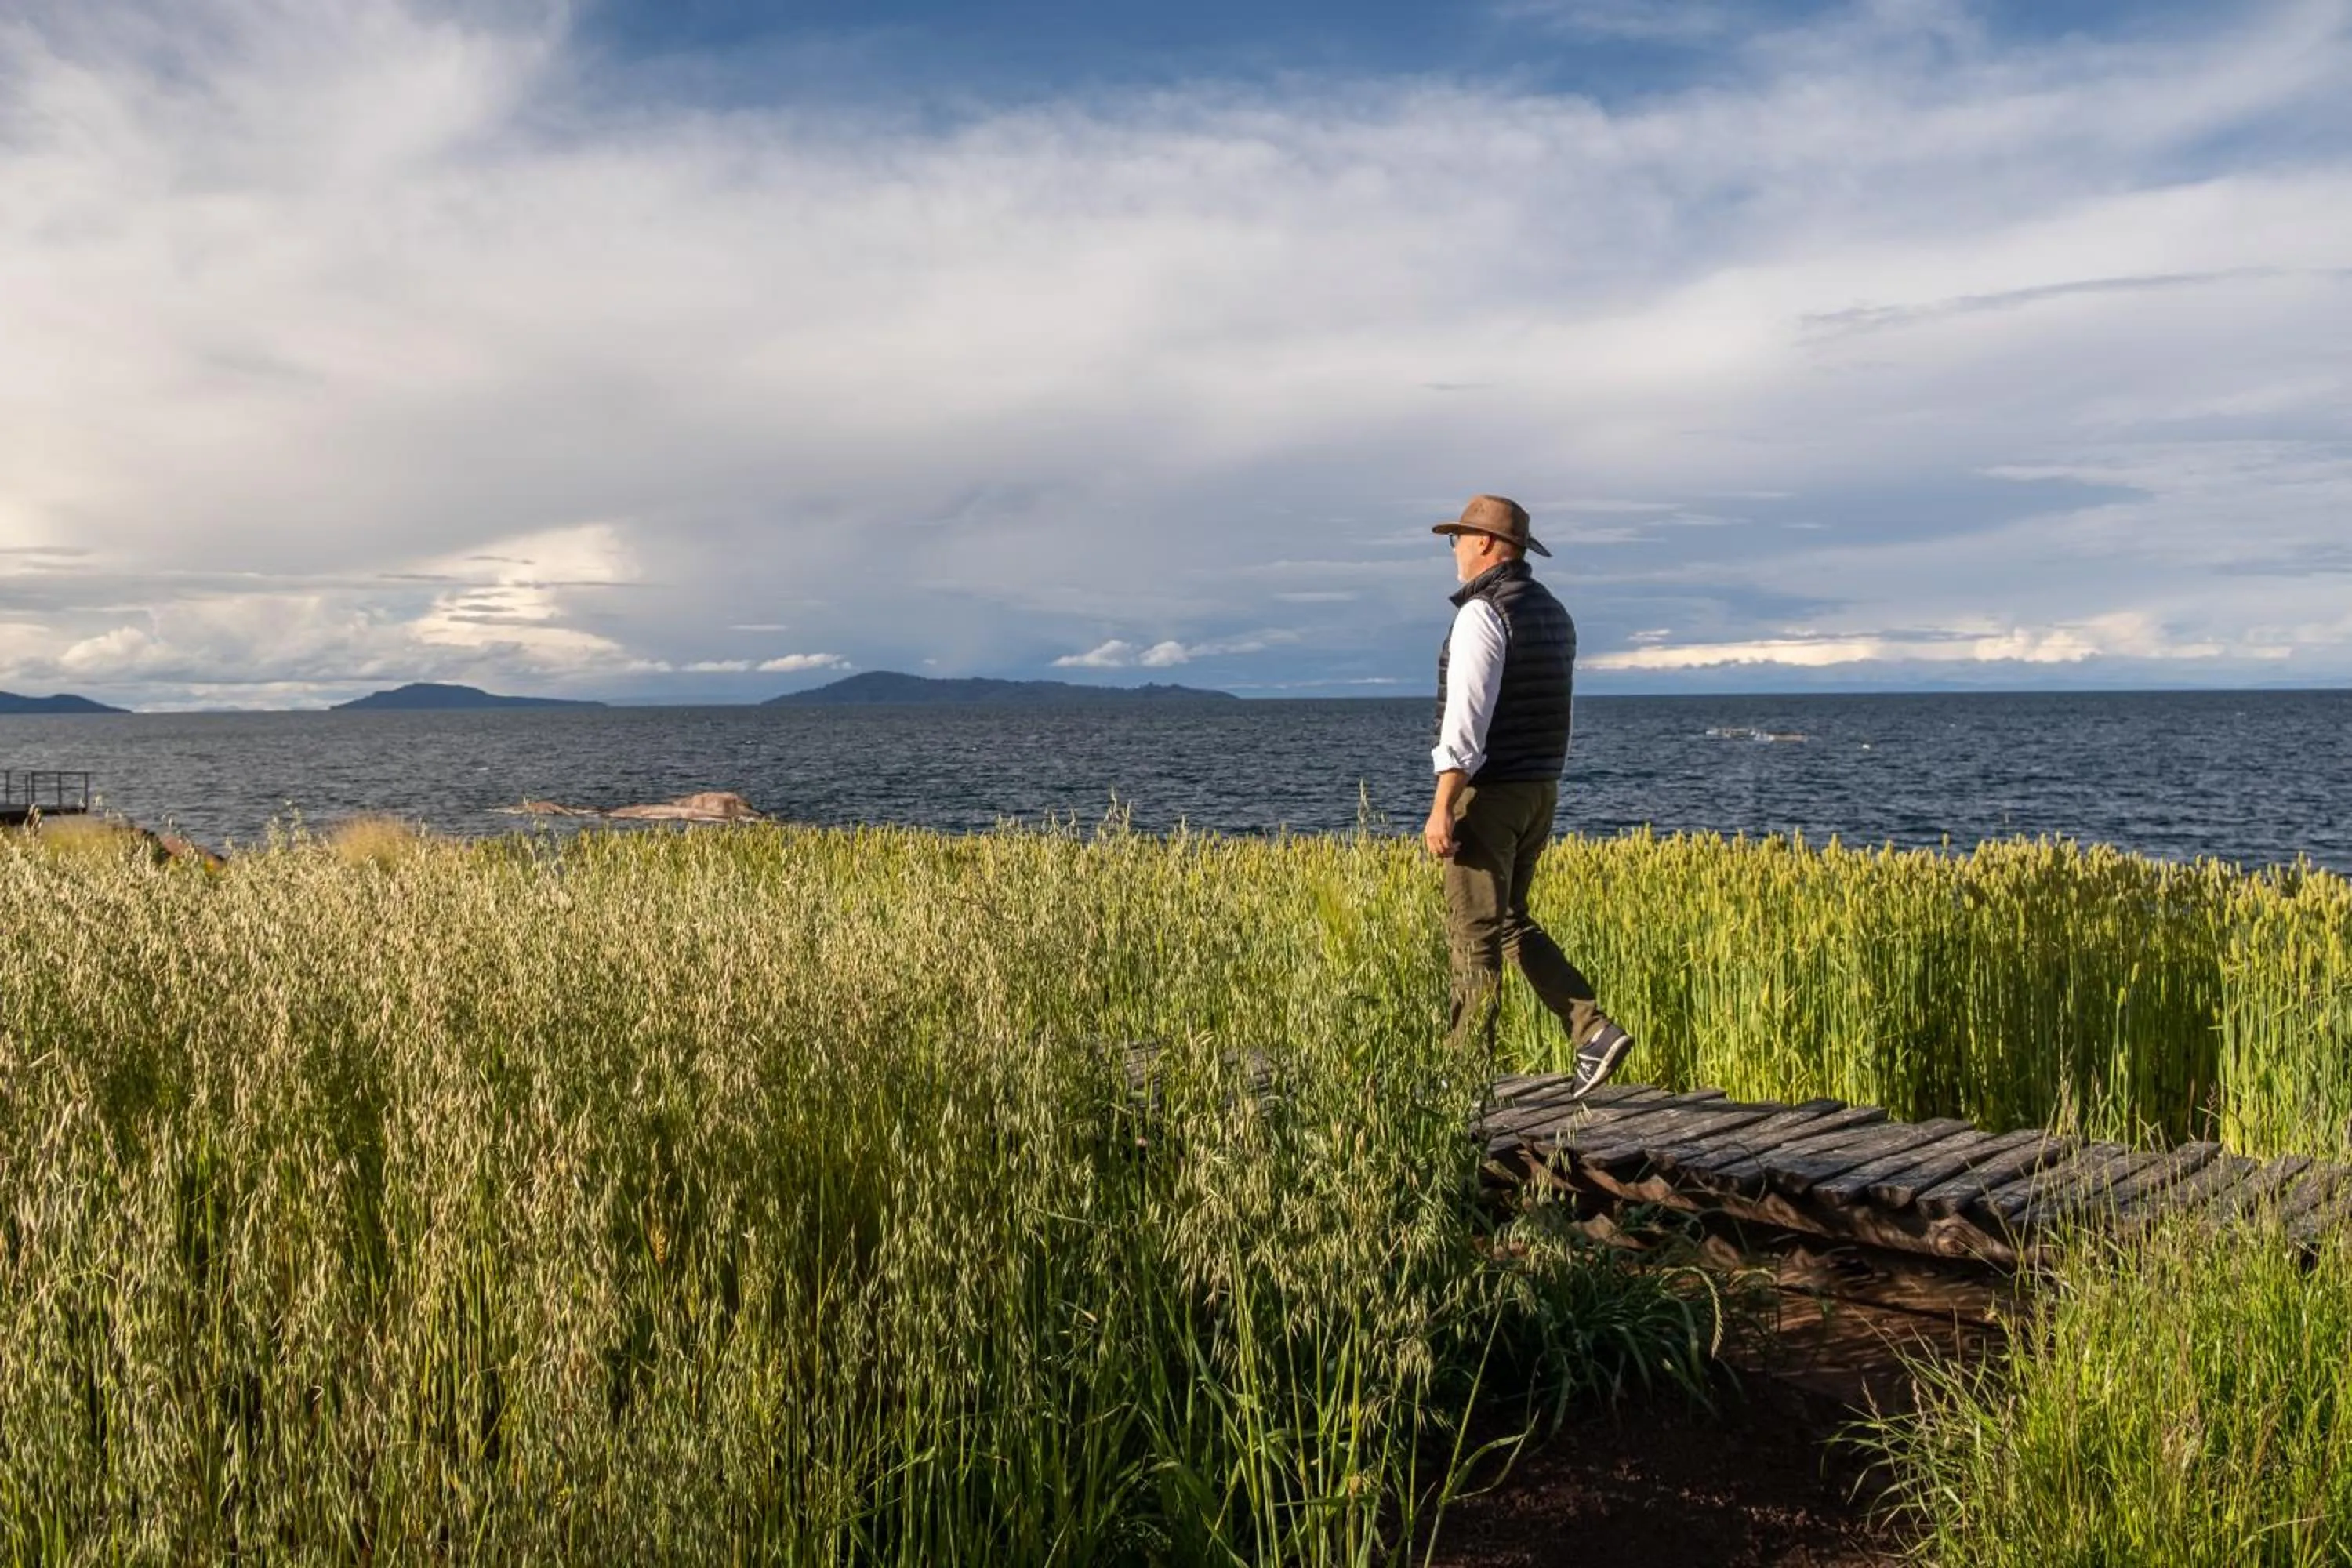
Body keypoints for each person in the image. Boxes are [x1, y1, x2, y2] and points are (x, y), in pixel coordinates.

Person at [1425, 494, 1633, 1098]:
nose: (1456, 550)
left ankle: (1463, 1079)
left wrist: (1444, 805)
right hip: (1541, 787)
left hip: (1489, 794)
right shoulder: (1552, 612)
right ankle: (1591, 1031)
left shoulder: (1482, 614)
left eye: (1459, 538)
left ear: (1487, 543)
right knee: (1510, 919)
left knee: (1473, 935)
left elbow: (1467, 720)